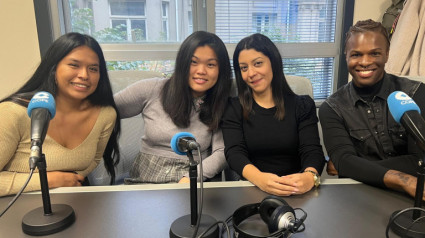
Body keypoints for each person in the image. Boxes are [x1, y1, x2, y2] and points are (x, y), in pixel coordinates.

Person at [0, 32, 120, 197]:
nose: (84, 75)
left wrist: (71, 180)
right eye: (74, 65)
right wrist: (52, 180)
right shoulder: (12, 113)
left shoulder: (105, 114)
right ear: (53, 68)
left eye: (93, 69)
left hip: (73, 204)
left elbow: (93, 160)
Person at [319, 19, 425, 200]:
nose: (365, 62)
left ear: (387, 54)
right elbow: (344, 161)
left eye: (375, 53)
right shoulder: (332, 108)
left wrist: (356, 166)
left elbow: (420, 161)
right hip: (360, 196)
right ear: (346, 56)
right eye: (356, 55)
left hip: (414, 196)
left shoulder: (415, 93)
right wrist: (402, 179)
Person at [114, 31, 232, 184]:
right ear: (182, 63)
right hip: (146, 180)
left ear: (220, 70)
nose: (201, 71)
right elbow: (104, 111)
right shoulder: (152, 89)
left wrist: (191, 178)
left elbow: (221, 152)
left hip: (195, 177)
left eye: (210, 64)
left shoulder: (222, 102)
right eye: (193, 62)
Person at [221, 33, 326, 196]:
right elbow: (234, 153)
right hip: (254, 188)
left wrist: (310, 176)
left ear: (273, 62)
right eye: (244, 68)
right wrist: (260, 179)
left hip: (295, 189)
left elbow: (312, 150)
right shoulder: (233, 108)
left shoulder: (302, 106)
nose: (251, 73)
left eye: (258, 63)